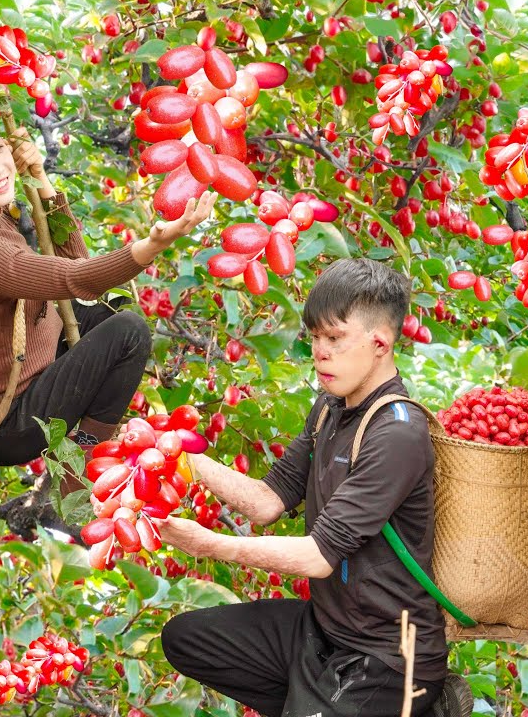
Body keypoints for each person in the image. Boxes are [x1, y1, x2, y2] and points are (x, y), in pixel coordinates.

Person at [158, 258, 472, 717]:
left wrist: (209, 545)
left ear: (379, 343)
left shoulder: (397, 434)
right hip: (326, 631)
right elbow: (268, 501)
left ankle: (417, 706)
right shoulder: (329, 408)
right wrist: (183, 455)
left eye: (334, 338)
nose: (319, 351)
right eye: (315, 337)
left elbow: (317, 558)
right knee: (187, 640)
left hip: (389, 654)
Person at [0, 101, 216, 497]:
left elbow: (74, 256)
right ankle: (84, 457)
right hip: (4, 421)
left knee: (110, 311)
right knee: (130, 331)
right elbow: (74, 276)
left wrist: (40, 177)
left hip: (28, 360)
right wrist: (152, 245)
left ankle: (85, 431)